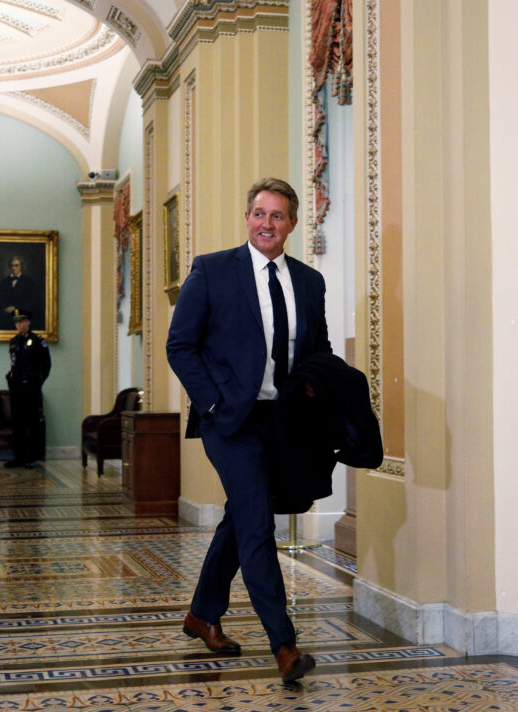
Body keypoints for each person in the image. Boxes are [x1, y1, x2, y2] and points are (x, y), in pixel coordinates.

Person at [167, 177, 330, 684]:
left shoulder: (309, 281)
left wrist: (315, 389)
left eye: (278, 216)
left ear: (292, 225)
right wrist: (212, 402)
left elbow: (316, 350)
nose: (268, 224)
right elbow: (181, 345)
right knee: (258, 524)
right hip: (230, 421)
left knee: (242, 518)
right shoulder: (213, 270)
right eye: (260, 213)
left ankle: (202, 614)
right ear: (247, 218)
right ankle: (284, 645)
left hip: (279, 423)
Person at [4, 310, 51, 468]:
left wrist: (37, 382)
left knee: (32, 422)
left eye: (21, 321)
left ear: (28, 322)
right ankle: (18, 456)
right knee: (17, 423)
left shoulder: (38, 341)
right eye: (16, 322)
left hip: (31, 388)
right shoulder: (14, 341)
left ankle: (31, 457)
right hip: (17, 388)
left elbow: (46, 365)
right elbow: (13, 363)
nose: (18, 325)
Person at [0, 256, 40, 330]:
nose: (13, 268)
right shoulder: (4, 282)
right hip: (5, 319)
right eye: (12, 266)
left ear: (21, 266)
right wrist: (5, 308)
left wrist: (16, 308)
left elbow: (32, 301)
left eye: (16, 266)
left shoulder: (29, 282)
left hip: (22, 319)